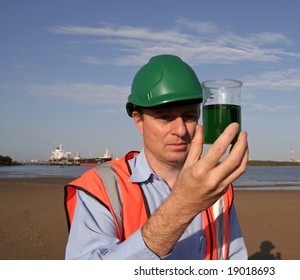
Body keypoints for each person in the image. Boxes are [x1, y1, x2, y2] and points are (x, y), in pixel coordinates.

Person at [64, 54, 248, 260]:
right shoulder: (100, 187)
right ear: (139, 121)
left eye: (189, 116)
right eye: (165, 117)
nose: (180, 129)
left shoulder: (216, 186)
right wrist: (183, 204)